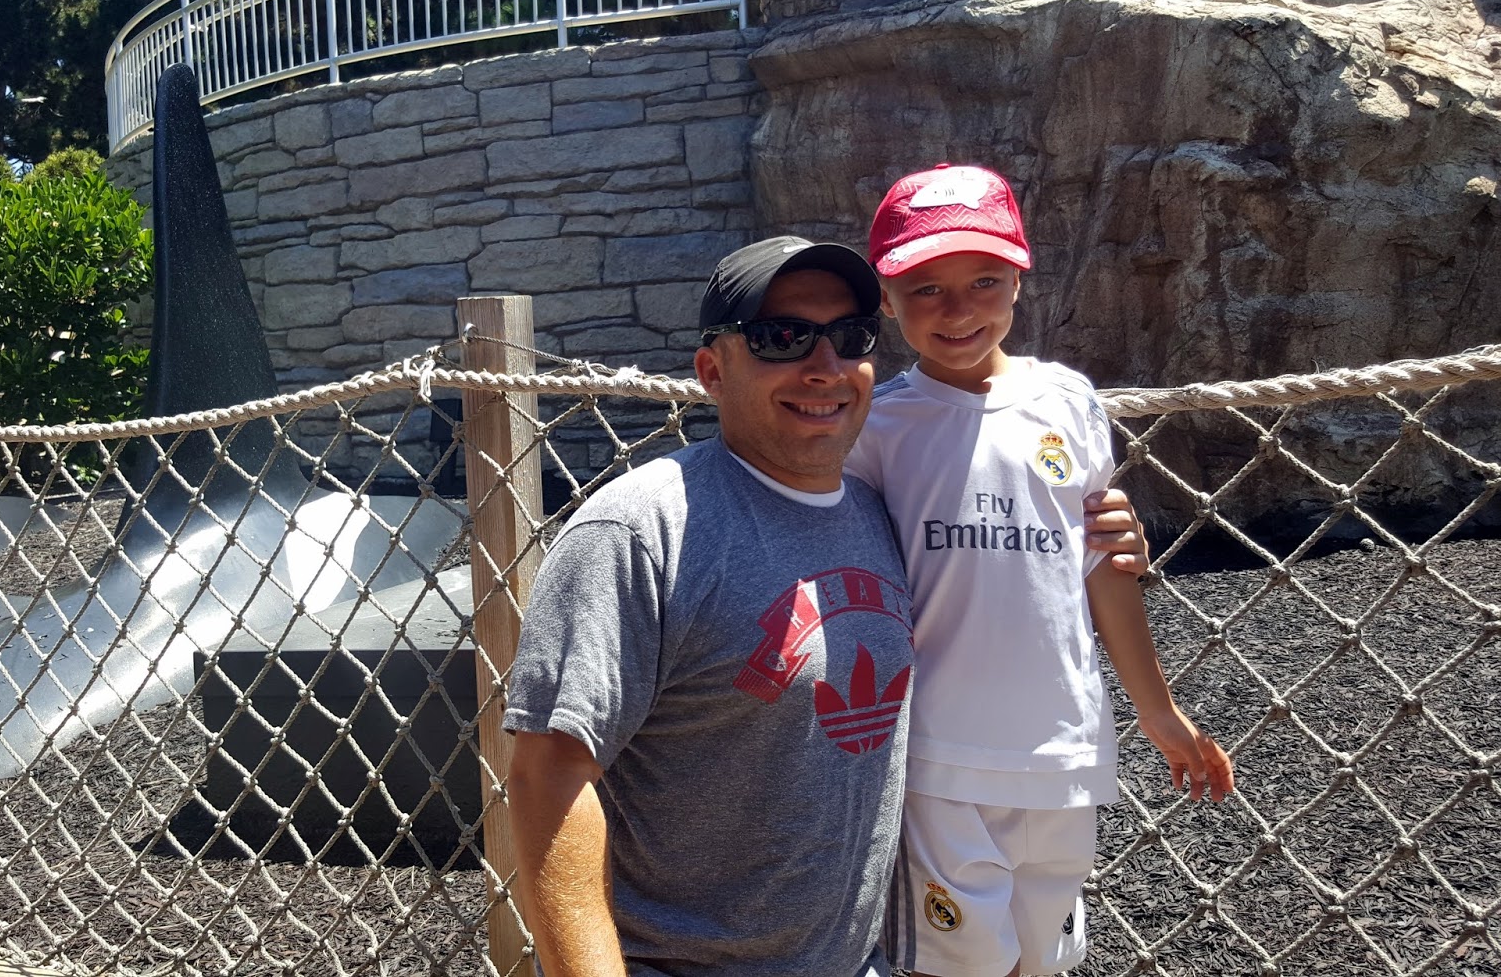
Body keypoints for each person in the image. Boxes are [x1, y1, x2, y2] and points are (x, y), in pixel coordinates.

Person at [503, 236, 1151, 977]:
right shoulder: (641, 530)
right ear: (712, 370)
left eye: (850, 336)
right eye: (781, 337)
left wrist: (1102, 532)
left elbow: (1003, 556)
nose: (825, 366)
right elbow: (549, 774)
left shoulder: (879, 513)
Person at [845, 164, 1236, 977]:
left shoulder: (1069, 400)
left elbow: (1102, 566)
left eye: (984, 281)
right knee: (956, 967)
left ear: (1020, 277)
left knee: (1041, 961)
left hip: (1062, 748)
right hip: (937, 756)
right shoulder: (876, 426)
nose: (958, 310)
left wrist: (1157, 710)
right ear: (886, 297)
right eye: (926, 288)